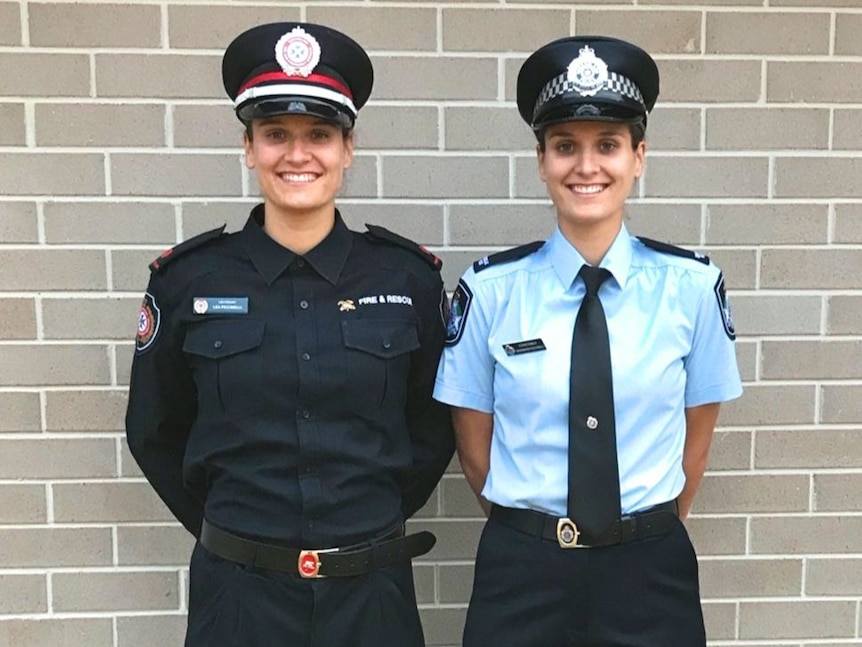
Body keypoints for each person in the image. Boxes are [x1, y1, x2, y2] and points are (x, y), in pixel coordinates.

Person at [125, 22, 454, 647]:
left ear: (348, 148)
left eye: (320, 135)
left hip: (372, 592)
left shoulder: (407, 279)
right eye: (276, 134)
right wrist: (236, 531)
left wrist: (363, 526)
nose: (297, 155)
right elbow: (154, 430)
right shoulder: (187, 282)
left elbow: (432, 426)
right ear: (248, 147)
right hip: (239, 596)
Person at [433, 35, 743, 647]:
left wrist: (636, 533)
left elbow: (695, 445)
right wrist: (537, 533)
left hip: (648, 569)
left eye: (608, 145)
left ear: (639, 157)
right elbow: (475, 452)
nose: (586, 166)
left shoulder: (691, 288)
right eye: (565, 147)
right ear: (542, 159)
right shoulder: (490, 290)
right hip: (523, 569)